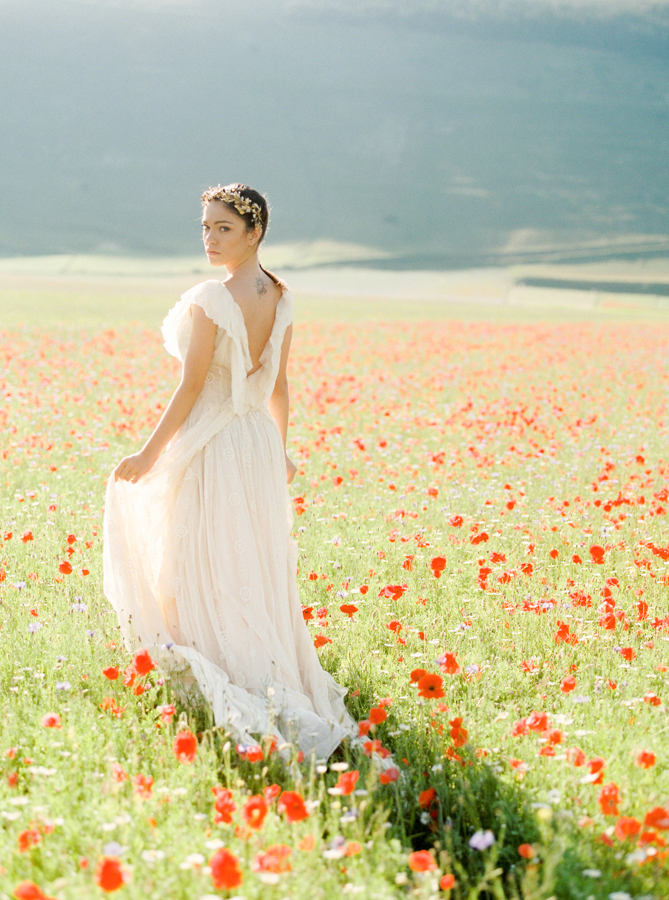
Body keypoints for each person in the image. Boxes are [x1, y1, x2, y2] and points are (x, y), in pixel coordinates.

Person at [103, 183, 357, 759]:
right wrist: (280, 449)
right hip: (255, 442)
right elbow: (278, 387)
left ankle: (221, 661)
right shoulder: (283, 297)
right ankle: (247, 654)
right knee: (239, 554)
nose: (210, 239)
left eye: (224, 228)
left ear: (254, 233)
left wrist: (147, 454)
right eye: (205, 227)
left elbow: (192, 387)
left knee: (200, 553)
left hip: (216, 442)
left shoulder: (212, 298)